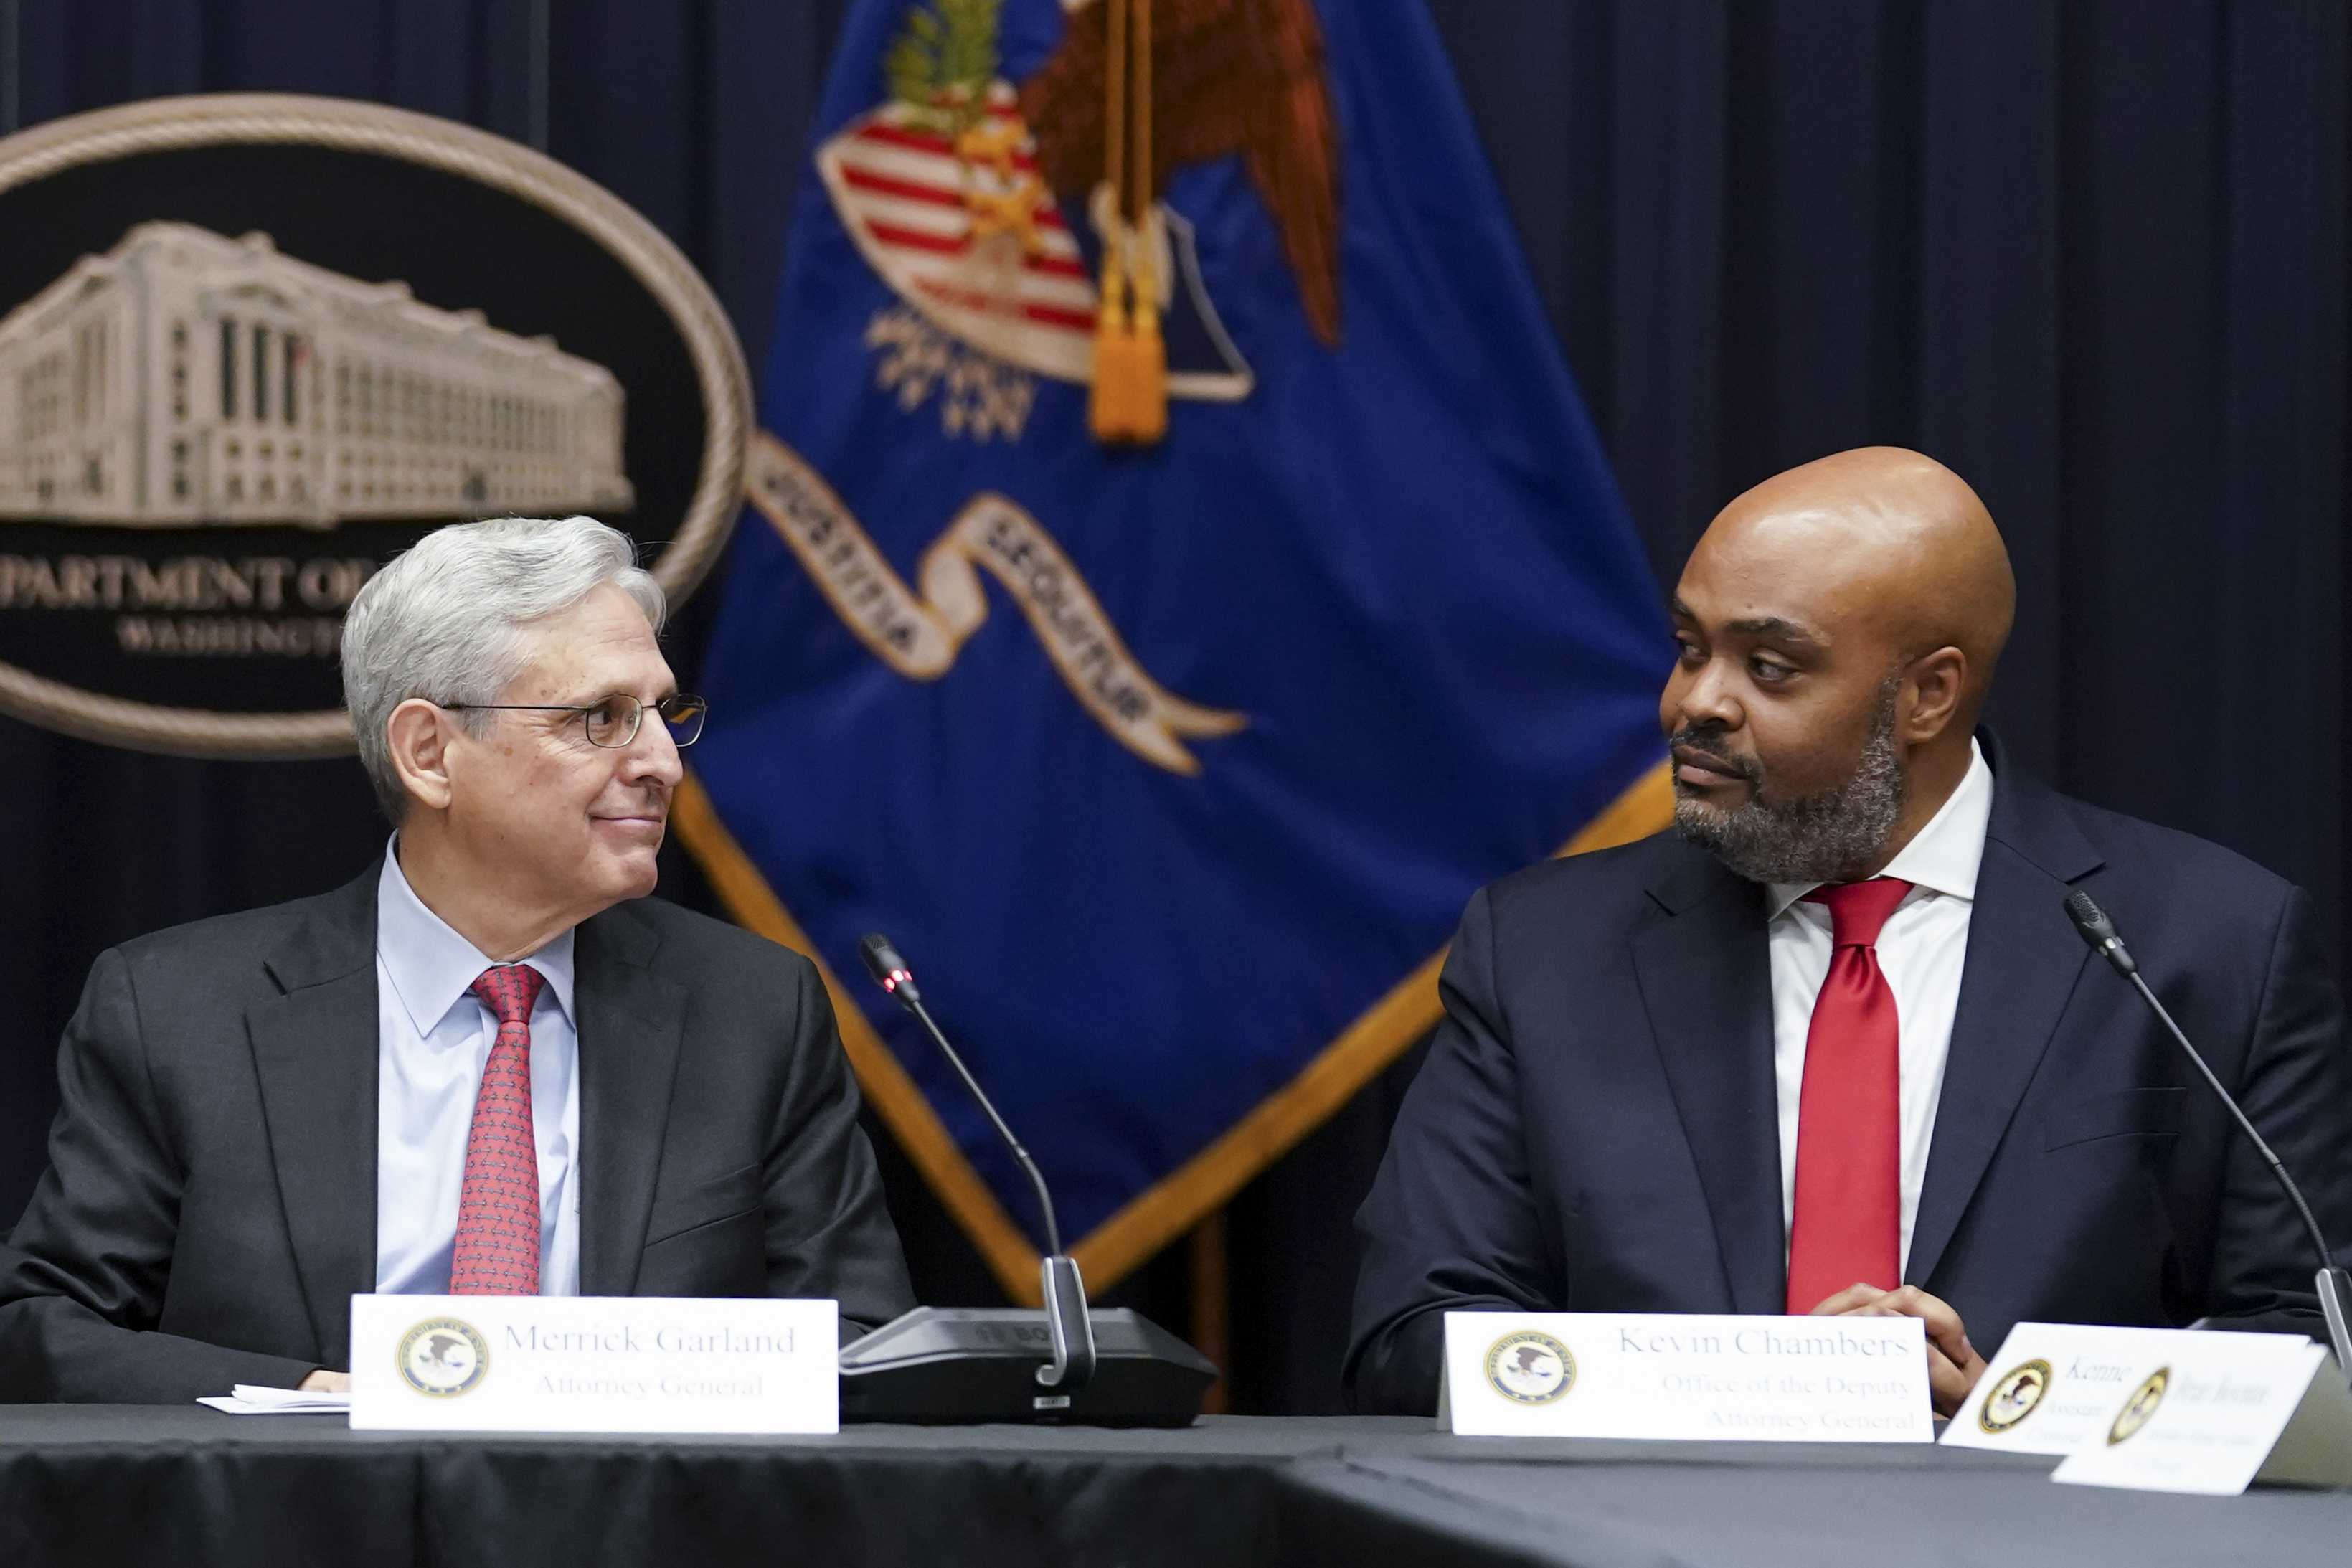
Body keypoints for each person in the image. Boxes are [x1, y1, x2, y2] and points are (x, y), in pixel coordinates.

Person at [1346, 448, 2352, 1417]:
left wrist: (2017, 1405)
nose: (1694, 702)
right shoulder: (1540, 950)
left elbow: (2305, 1338)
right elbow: (1410, 1332)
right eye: (1689, 648)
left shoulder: (2209, 942)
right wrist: (1774, 1387)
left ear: (1926, 694)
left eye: (1769, 667)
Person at [0, 516, 915, 1403]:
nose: (662, 762)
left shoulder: (755, 1012)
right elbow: (41, 1326)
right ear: (430, 752)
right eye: (601, 716)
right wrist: (318, 1398)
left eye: (663, 714)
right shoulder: (178, 1013)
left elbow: (866, 1346)